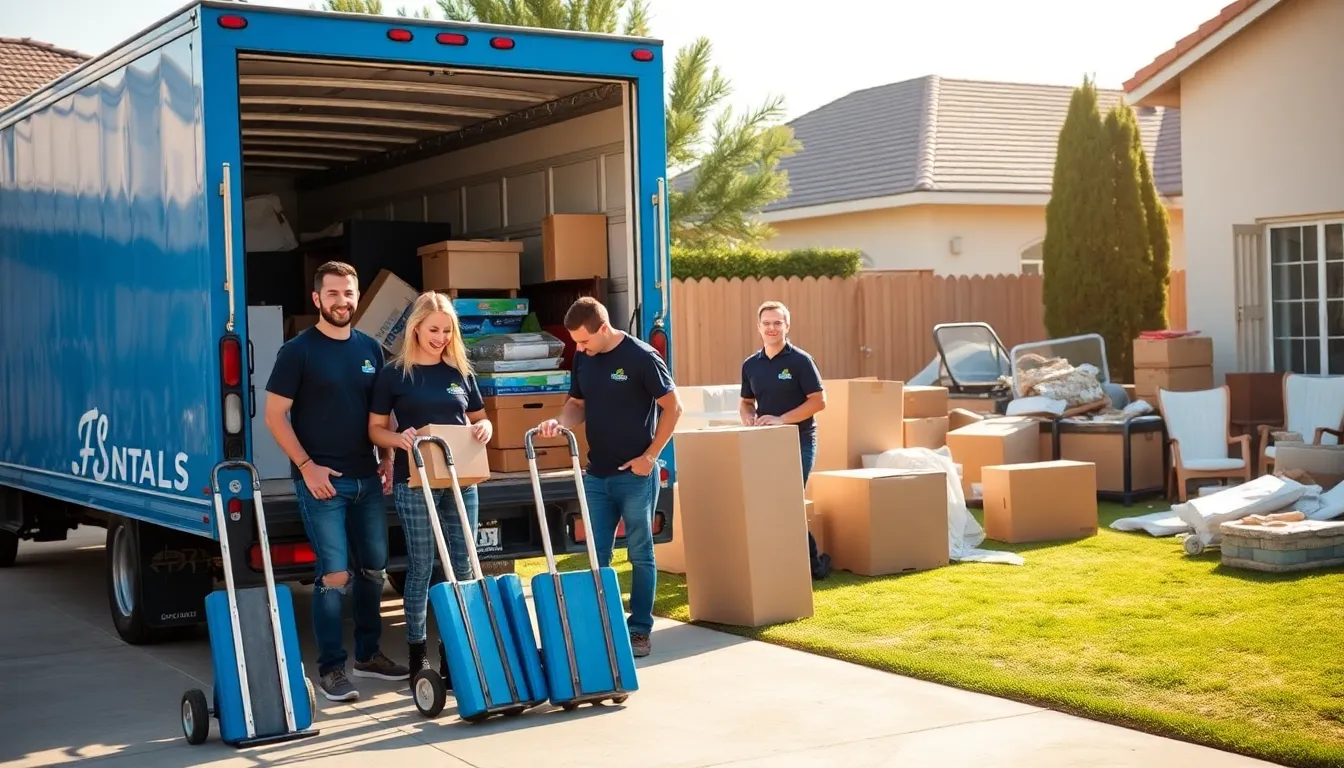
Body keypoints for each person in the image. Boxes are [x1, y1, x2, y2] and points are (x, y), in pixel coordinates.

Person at [264, 260, 410, 702]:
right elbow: (274, 415)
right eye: (332, 294)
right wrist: (306, 466)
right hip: (322, 481)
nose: (342, 302)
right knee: (334, 574)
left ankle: (368, 656)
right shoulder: (298, 351)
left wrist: (386, 458)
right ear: (316, 299)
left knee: (373, 569)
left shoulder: (370, 349)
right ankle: (331, 668)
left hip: (367, 478)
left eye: (348, 294)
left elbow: (381, 414)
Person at [537, 297, 682, 658]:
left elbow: (674, 407)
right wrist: (560, 422)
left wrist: (650, 457)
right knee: (595, 556)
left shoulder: (643, 357)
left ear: (603, 328)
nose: (578, 348)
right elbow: (577, 404)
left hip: (635, 476)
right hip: (596, 476)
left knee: (640, 554)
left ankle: (639, 631)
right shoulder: (585, 358)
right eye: (575, 343)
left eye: (583, 341)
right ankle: (600, 624)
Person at [368, 291, 492, 691]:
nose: (440, 337)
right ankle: (419, 656)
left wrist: (485, 429)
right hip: (416, 481)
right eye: (433, 329)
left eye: (446, 330)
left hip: (461, 482)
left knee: (463, 568)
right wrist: (398, 438)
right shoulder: (394, 374)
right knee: (422, 568)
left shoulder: (460, 372)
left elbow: (479, 419)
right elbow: (374, 429)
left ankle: (456, 655)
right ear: (416, 327)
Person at [738, 300, 833, 580]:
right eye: (766, 323)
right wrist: (748, 416)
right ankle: (787, 562)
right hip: (765, 443)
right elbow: (745, 402)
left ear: (787, 326)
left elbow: (819, 402)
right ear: (758, 327)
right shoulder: (750, 365)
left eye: (777, 323)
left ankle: (815, 564)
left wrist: (782, 419)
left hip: (799, 440)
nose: (771, 328)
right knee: (771, 502)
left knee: (788, 500)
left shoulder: (800, 361)